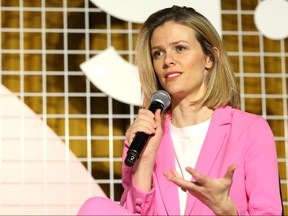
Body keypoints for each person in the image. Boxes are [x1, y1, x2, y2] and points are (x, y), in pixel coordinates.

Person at [78, 5, 283, 215]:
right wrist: (145, 163)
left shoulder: (250, 129)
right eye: (158, 53)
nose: (168, 60)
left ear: (209, 58)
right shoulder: (145, 134)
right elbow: (132, 212)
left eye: (180, 48)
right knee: (95, 208)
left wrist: (228, 211)